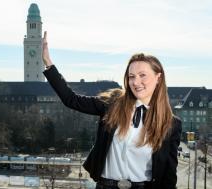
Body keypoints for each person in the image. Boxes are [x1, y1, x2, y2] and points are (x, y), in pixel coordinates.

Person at [42, 31, 182, 189]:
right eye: (131, 76)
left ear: (158, 78)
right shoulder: (112, 105)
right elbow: (72, 100)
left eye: (143, 75)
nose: (136, 82)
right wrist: (48, 63)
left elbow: (169, 177)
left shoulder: (171, 124)